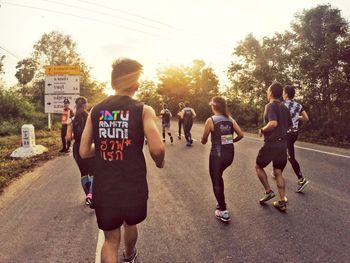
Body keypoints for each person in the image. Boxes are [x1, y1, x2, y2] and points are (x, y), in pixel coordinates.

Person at [79, 58, 165, 263]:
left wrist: (104, 147)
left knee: (110, 241)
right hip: (133, 185)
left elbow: (83, 151)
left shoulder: (96, 111)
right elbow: (157, 147)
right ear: (136, 85)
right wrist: (159, 162)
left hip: (105, 186)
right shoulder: (143, 110)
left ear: (112, 83)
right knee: (130, 224)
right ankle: (129, 256)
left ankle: (124, 255)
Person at [201, 96, 244, 222]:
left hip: (217, 157)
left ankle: (223, 211)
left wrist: (204, 141)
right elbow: (241, 135)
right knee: (219, 178)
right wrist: (231, 141)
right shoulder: (230, 119)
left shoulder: (211, 120)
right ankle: (221, 203)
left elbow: (204, 140)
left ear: (213, 106)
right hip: (229, 156)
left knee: (216, 181)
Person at [255, 81, 292, 212]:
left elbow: (273, 123)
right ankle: (282, 202)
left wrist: (262, 130)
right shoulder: (285, 108)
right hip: (283, 144)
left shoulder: (270, 106)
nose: (267, 93)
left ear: (270, 92)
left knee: (258, 166)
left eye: (267, 91)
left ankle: (268, 191)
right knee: (278, 172)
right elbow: (289, 126)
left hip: (271, 143)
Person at [66, 96, 94, 207]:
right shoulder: (90, 118)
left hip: (77, 148)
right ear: (86, 105)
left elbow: (68, 138)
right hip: (90, 146)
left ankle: (88, 195)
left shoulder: (72, 120)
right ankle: (92, 194)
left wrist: (75, 136)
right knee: (93, 172)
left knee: (83, 173)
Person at [283, 85, 309, 192]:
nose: (282, 94)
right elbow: (306, 118)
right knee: (284, 153)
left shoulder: (282, 105)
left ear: (286, 94)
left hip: (287, 135)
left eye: (283, 92)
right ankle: (277, 171)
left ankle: (301, 180)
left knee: (290, 157)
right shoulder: (298, 105)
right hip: (295, 134)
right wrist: (297, 117)